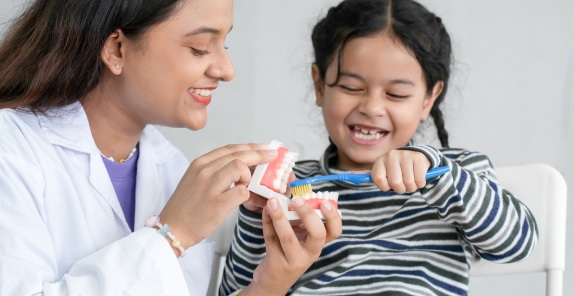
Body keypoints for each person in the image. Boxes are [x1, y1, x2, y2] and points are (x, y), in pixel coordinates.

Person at [0, 0, 342, 295]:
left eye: (225, 44)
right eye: (200, 47)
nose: (226, 69)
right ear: (116, 49)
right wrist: (172, 235)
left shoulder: (170, 167)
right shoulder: (2, 149)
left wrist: (269, 282)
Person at [220, 0, 539, 295]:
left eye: (396, 94)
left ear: (429, 98)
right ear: (319, 86)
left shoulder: (453, 175)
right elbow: (235, 291)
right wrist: (254, 213)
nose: (372, 107)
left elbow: (517, 244)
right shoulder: (293, 187)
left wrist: (440, 176)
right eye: (351, 87)